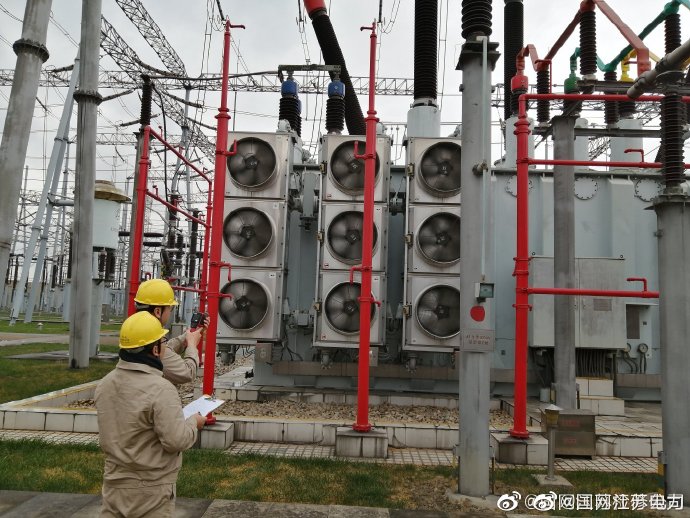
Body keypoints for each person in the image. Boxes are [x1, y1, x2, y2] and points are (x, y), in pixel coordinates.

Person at [95, 311, 206, 517]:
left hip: (113, 485)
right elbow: (176, 440)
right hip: (152, 491)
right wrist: (193, 423)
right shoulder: (161, 389)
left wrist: (186, 339)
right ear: (155, 350)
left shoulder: (105, 384)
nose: (166, 346)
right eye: (163, 342)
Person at [134, 278, 207, 385]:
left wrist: (187, 336)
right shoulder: (153, 341)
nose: (170, 313)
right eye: (170, 308)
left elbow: (165, 348)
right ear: (158, 311)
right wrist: (192, 346)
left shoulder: (134, 329)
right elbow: (188, 373)